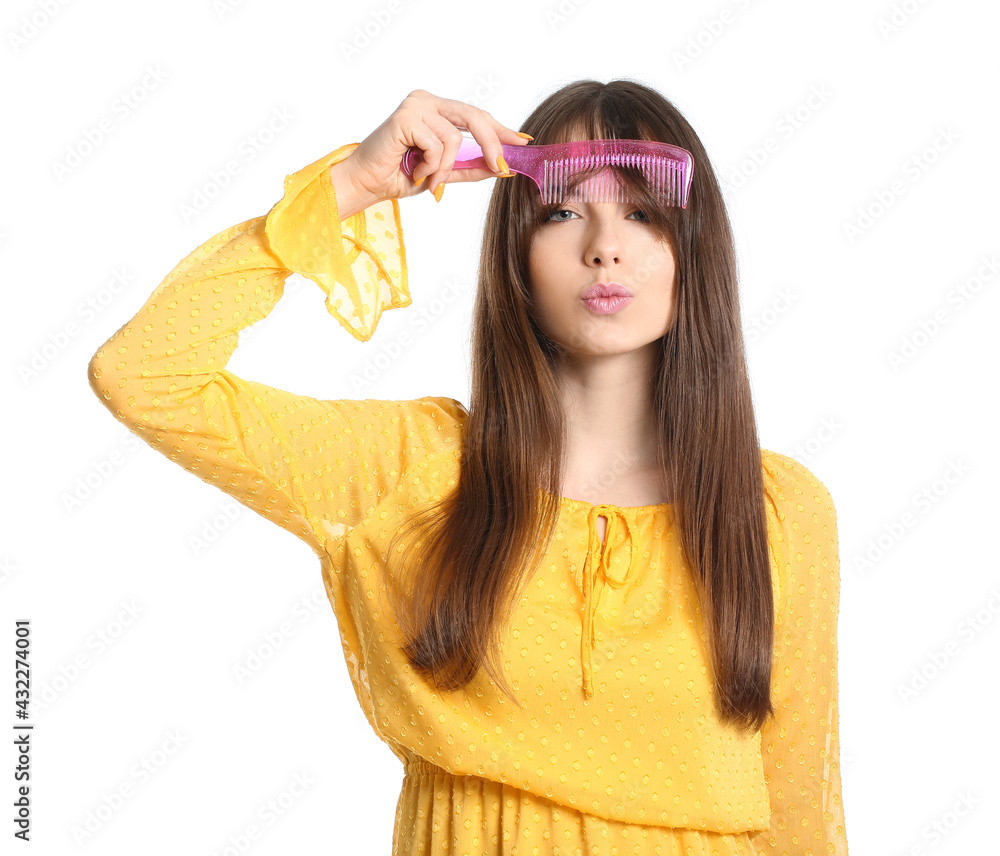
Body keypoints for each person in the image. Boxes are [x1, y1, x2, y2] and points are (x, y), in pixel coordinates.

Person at [88, 80, 849, 855]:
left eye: (643, 213)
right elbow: (144, 377)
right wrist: (350, 187)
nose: (604, 245)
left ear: (696, 250)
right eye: (561, 211)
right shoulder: (411, 471)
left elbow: (797, 798)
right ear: (514, 254)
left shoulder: (779, 511)